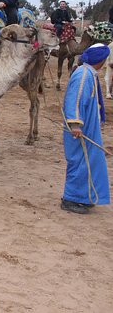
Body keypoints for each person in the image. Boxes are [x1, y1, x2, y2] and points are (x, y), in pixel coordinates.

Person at [61, 43, 111, 214]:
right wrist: (75, 123)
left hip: (89, 127)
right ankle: (70, 198)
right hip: (79, 128)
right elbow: (73, 100)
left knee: (90, 161)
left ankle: (84, 196)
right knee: (79, 161)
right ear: (101, 60)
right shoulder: (83, 75)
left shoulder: (89, 74)